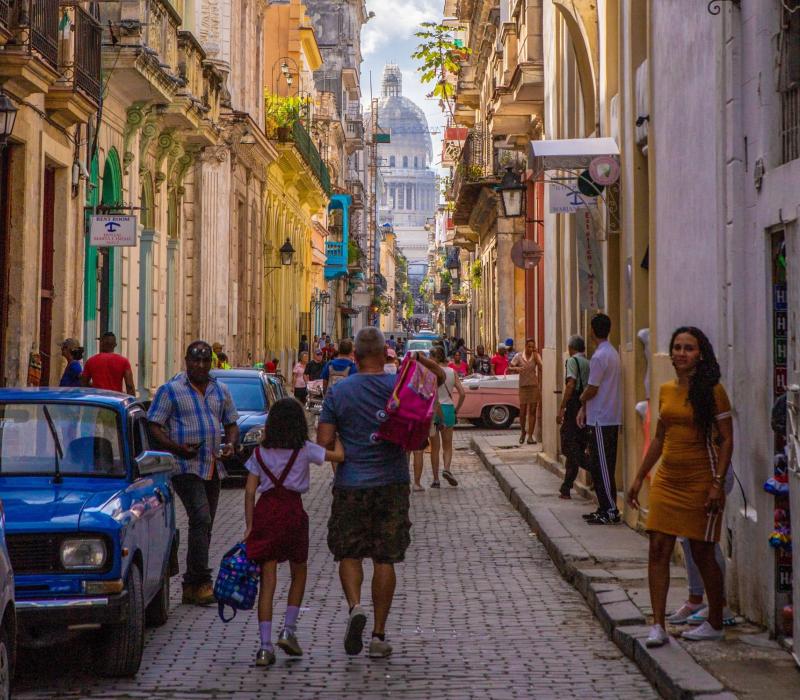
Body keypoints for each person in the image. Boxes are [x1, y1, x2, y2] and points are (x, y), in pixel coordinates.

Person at [317, 328, 444, 658]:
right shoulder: (398, 386)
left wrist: (346, 444)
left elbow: (323, 441)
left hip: (351, 484)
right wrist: (419, 358)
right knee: (385, 558)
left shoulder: (339, 392)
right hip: (392, 483)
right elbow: (439, 379)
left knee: (349, 552)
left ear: (355, 356)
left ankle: (355, 606)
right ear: (386, 354)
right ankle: (378, 634)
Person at [627, 326, 734, 647]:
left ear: (700, 354)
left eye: (688, 348)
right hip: (667, 481)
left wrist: (717, 484)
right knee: (658, 547)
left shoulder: (713, 391)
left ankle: (716, 619)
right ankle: (657, 625)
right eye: (676, 347)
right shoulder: (666, 390)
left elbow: (727, 438)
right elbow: (660, 437)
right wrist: (638, 477)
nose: (680, 353)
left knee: (702, 551)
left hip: (702, 480)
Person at [243, 397, 345, 665]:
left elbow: (250, 491)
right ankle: (289, 630)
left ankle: (265, 647)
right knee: (299, 571)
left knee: (268, 580)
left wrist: (250, 525)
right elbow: (339, 457)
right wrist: (340, 434)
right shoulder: (305, 450)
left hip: (265, 513)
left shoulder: (259, 454)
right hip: (292, 513)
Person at [148, 341, 239, 605]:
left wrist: (230, 444)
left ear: (211, 362)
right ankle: (200, 581)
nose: (200, 365)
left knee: (206, 523)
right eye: (195, 360)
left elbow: (231, 423)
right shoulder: (171, 390)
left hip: (212, 465)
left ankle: (191, 584)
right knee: (200, 517)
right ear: (186, 361)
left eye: (205, 361)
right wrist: (176, 448)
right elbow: (154, 426)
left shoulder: (220, 391)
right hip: (184, 466)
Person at [577, 314, 622, 525]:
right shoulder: (612, 353)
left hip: (601, 419)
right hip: (607, 416)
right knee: (602, 465)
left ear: (592, 331)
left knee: (602, 466)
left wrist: (581, 399)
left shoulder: (598, 357)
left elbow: (592, 388)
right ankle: (604, 506)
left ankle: (610, 509)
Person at [556, 335, 591, 499]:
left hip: (574, 405)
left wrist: (562, 407)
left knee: (568, 444)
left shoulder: (572, 361)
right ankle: (566, 487)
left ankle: (592, 466)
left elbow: (570, 384)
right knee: (577, 443)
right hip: (586, 405)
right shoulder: (588, 362)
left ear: (571, 348)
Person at [430, 346, 464, 488]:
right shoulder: (452, 372)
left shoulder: (431, 372)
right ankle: (447, 469)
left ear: (434, 357)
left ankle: (436, 479)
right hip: (448, 408)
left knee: (434, 448)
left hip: (433, 410)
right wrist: (456, 410)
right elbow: (462, 393)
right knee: (448, 445)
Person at [508, 339, 543, 444]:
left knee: (532, 411)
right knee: (522, 412)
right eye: (529, 347)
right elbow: (510, 367)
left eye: (533, 347)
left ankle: (530, 436)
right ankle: (523, 432)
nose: (531, 349)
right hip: (523, 386)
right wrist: (517, 369)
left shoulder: (535, 356)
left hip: (533, 386)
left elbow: (541, 367)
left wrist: (536, 355)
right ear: (525, 346)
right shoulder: (519, 356)